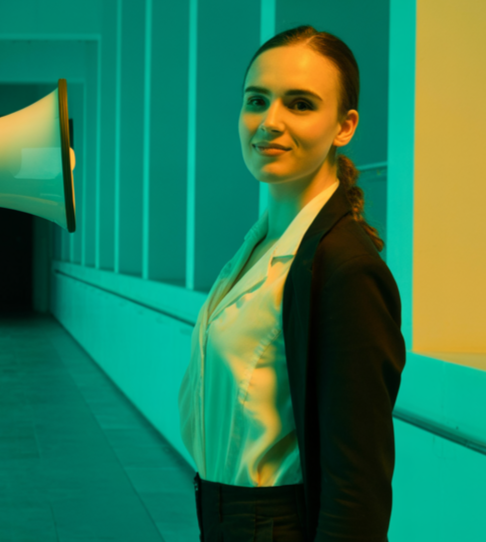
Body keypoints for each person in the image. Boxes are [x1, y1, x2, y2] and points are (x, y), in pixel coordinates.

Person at [178, 26, 406, 541]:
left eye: (300, 104)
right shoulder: (260, 246)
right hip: (221, 517)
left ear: (344, 126)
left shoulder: (347, 269)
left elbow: (358, 482)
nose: (269, 122)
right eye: (256, 100)